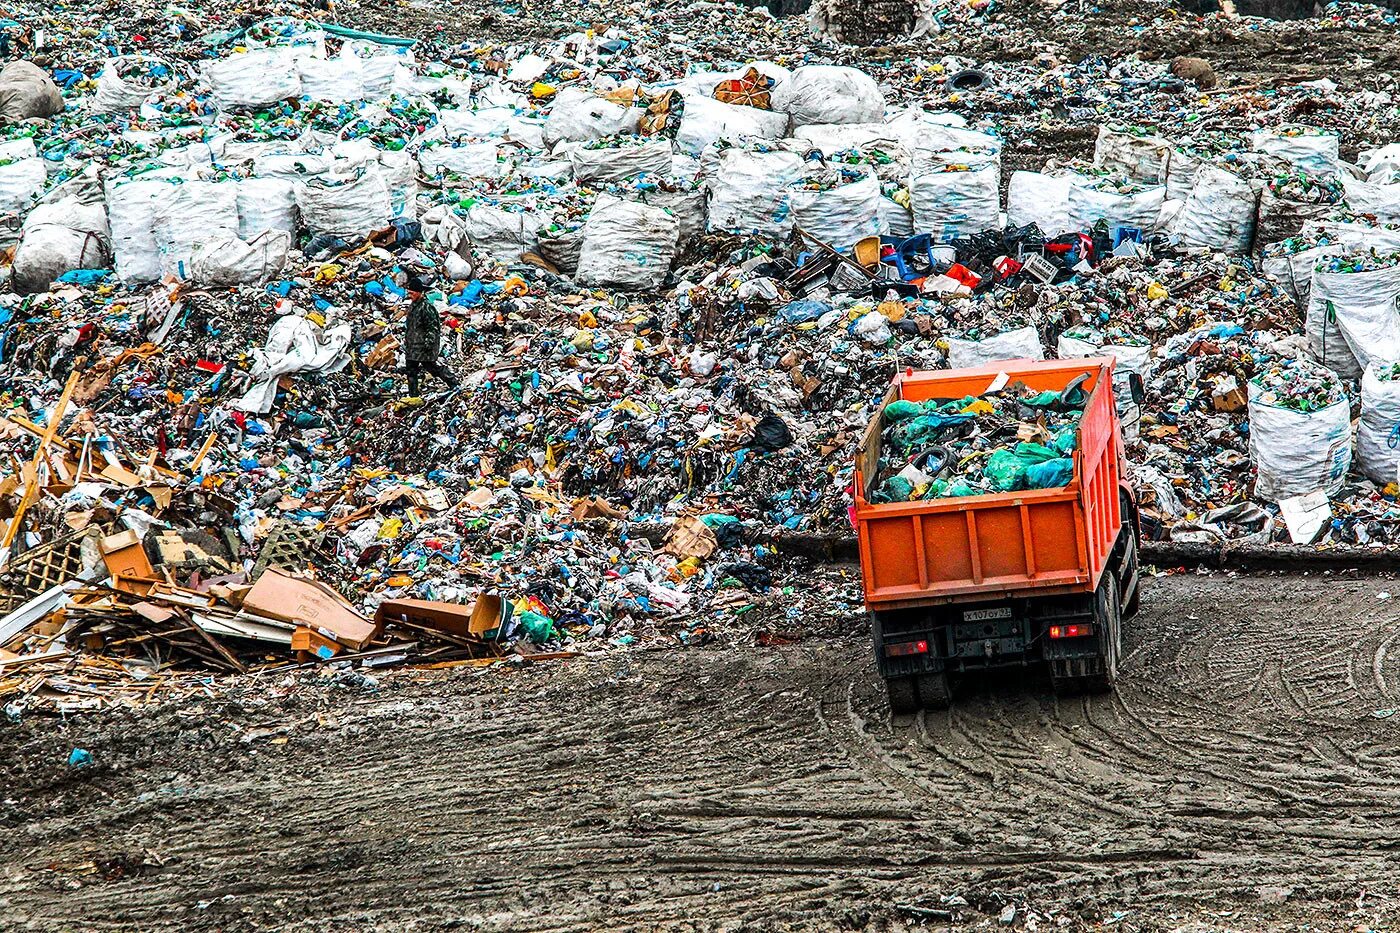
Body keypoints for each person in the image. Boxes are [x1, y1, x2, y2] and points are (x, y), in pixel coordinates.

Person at [402, 274, 459, 396]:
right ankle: (413, 395)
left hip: (423, 347)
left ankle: (453, 383)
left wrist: (429, 344)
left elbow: (432, 328)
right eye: (409, 293)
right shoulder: (413, 305)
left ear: (419, 292)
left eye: (412, 293)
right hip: (412, 346)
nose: (409, 295)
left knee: (433, 368)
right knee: (411, 371)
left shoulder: (426, 307)